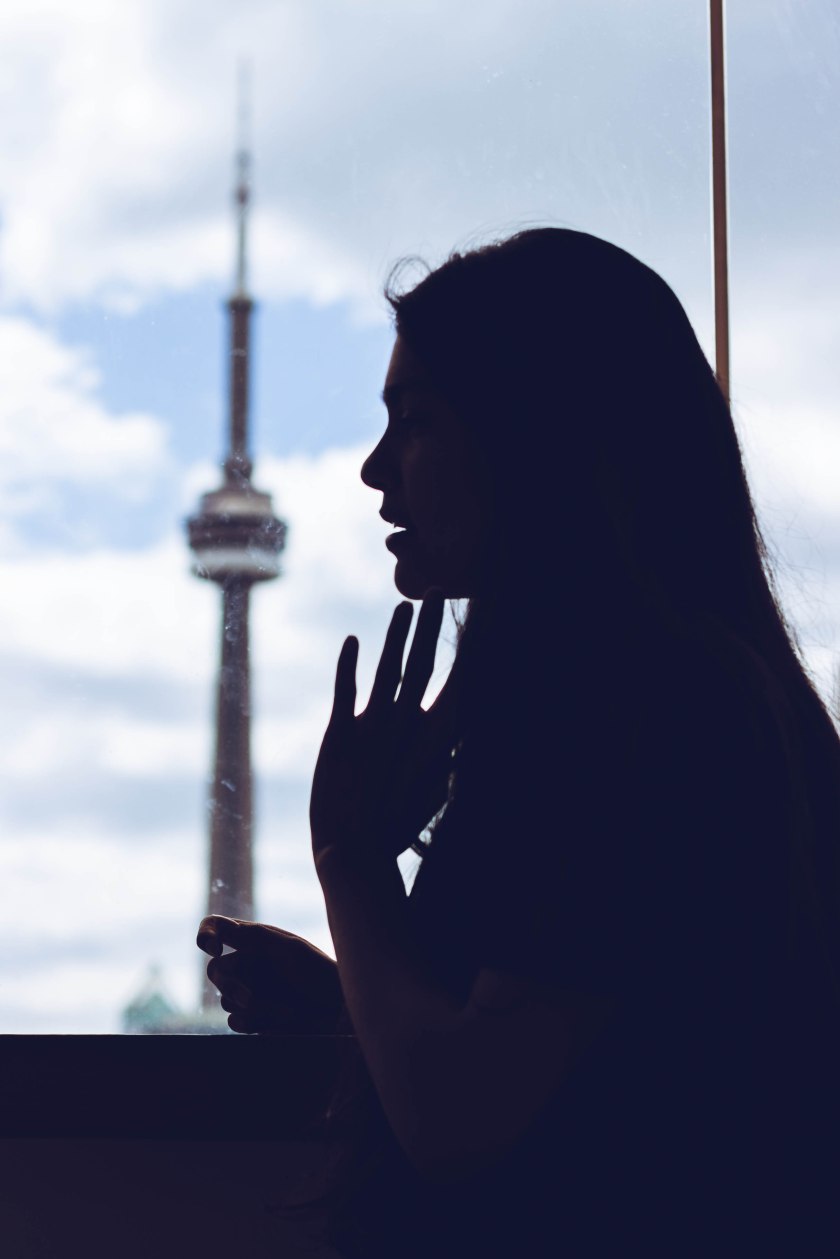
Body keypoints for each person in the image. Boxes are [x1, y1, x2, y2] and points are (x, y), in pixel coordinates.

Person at [197, 228, 840, 1256]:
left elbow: (463, 1125)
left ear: (532, 438)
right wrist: (351, 998)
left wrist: (350, 860)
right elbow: (608, 1066)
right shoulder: (685, 688)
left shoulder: (627, 710)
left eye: (415, 422)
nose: (374, 468)